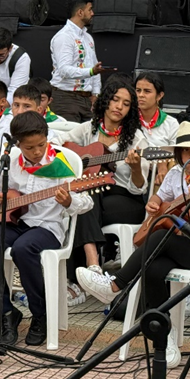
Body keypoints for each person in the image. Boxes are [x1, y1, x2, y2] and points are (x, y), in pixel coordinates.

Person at [76, 121, 190, 369]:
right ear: (178, 154)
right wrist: (154, 203)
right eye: (185, 151)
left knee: (161, 237)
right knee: (153, 266)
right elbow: (160, 203)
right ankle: (165, 336)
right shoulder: (175, 174)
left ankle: (116, 284)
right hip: (179, 248)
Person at [0, 111, 92, 345]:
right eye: (29, 148)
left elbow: (86, 202)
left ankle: (41, 314)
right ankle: (6, 313)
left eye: (41, 145)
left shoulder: (61, 165)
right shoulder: (11, 162)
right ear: (18, 144)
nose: (36, 152)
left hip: (48, 227)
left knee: (23, 249)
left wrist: (69, 201)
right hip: (14, 222)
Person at [65, 79, 150, 305]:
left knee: (84, 197)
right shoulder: (87, 130)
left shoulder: (136, 139)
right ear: (105, 101)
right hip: (95, 195)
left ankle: (83, 273)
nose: (118, 106)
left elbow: (139, 187)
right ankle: (91, 270)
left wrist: (134, 167)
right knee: (86, 192)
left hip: (125, 200)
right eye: (115, 100)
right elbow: (58, 147)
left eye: (125, 103)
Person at [50, 0, 112, 122]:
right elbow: (64, 70)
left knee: (90, 138)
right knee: (68, 140)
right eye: (90, 10)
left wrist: (96, 94)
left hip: (86, 100)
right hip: (65, 98)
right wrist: (90, 71)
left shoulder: (88, 37)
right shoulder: (64, 37)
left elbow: (95, 66)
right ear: (80, 12)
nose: (92, 13)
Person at [134, 72, 179, 147]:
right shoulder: (128, 121)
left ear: (159, 96)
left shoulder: (171, 124)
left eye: (147, 91)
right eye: (138, 90)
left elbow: (176, 155)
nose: (141, 95)